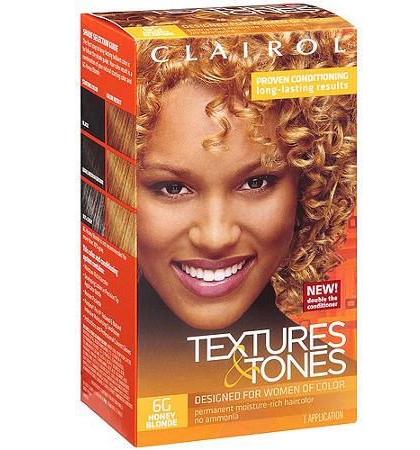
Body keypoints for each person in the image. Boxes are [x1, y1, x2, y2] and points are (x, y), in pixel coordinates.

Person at [131, 30, 357, 394]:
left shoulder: (331, 386)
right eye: (172, 188)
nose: (216, 237)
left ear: (309, 185)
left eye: (256, 183)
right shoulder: (91, 375)